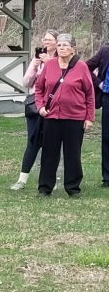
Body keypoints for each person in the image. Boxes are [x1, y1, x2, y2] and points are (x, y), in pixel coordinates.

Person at [35, 34, 95, 198]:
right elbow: (39, 88)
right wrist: (40, 107)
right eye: (59, 45)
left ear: (72, 49)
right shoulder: (49, 65)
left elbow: (90, 94)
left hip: (74, 117)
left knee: (72, 154)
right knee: (49, 153)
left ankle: (73, 188)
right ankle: (45, 188)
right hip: (52, 117)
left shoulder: (81, 67)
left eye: (65, 45)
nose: (61, 48)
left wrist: (89, 117)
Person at [11, 30, 59, 190]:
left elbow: (59, 79)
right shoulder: (37, 58)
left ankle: (50, 179)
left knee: (52, 143)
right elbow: (26, 82)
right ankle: (22, 180)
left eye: (49, 39)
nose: (46, 42)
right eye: (44, 39)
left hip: (53, 105)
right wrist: (35, 67)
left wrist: (50, 62)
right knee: (32, 142)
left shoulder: (61, 60)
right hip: (35, 105)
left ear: (56, 42)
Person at [86, 40, 109, 188]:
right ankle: (107, 178)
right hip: (108, 98)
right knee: (107, 138)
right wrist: (99, 83)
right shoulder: (105, 51)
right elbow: (85, 67)